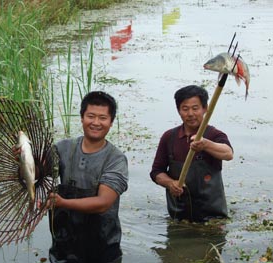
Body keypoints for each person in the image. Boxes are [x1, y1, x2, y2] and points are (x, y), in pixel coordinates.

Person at [48, 91, 129, 263]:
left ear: (111, 122)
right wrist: (23, 158)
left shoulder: (116, 159)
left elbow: (103, 203)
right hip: (64, 244)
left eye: (103, 118)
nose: (96, 123)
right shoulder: (62, 148)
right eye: (91, 116)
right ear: (82, 117)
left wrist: (63, 203)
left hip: (102, 246)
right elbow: (38, 172)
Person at [149, 85, 233, 222]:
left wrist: (206, 144)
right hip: (178, 218)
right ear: (178, 110)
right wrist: (170, 183)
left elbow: (228, 153)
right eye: (185, 109)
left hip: (213, 218)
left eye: (195, 108)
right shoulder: (169, 137)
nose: (190, 114)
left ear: (205, 109)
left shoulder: (214, 134)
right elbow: (156, 172)